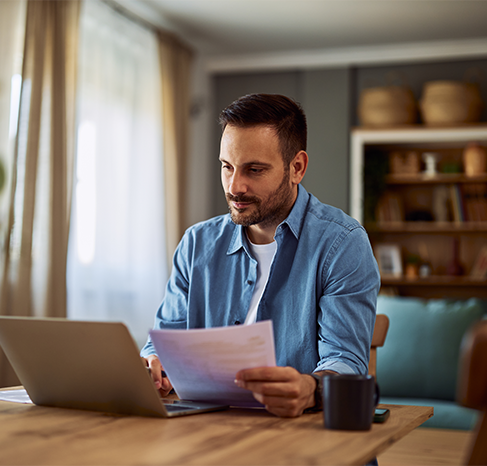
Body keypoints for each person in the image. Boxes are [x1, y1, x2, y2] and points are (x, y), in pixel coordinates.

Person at [140, 93, 380, 418]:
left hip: (302, 440)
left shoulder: (343, 244)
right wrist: (154, 363)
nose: (234, 186)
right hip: (210, 435)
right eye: (227, 167)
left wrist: (310, 389)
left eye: (254, 170)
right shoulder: (196, 244)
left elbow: (346, 363)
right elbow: (165, 341)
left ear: (297, 167)